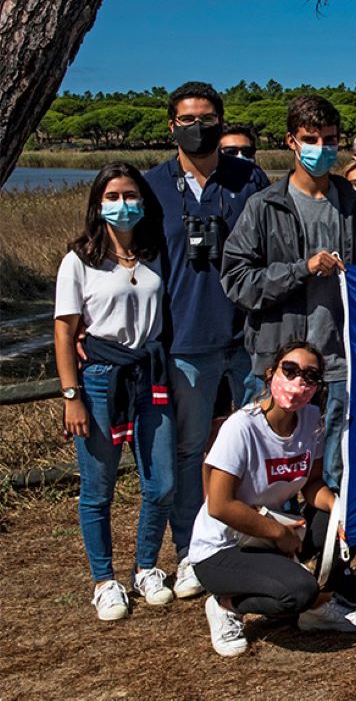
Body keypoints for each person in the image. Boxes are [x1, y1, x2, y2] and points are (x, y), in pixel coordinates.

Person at [221, 94, 356, 516]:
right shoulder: (263, 208)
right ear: (291, 141)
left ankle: (333, 565)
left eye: (330, 140)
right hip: (279, 369)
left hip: (340, 365)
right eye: (311, 139)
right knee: (267, 472)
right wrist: (300, 270)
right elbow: (237, 283)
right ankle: (268, 562)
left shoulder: (353, 205)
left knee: (335, 473)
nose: (321, 149)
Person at [144, 82, 272, 600]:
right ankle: (192, 552)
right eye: (187, 118)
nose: (198, 126)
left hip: (249, 335)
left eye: (208, 117)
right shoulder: (151, 185)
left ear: (221, 120)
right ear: (171, 125)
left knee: (252, 447)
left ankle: (246, 540)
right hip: (185, 340)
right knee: (191, 450)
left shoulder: (248, 178)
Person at [189, 342, 356, 657]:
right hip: (220, 549)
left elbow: (313, 484)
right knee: (298, 592)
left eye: (310, 376)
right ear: (271, 372)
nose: (298, 382)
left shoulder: (312, 419)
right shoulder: (241, 427)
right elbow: (219, 505)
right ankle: (226, 605)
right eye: (290, 370)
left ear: (317, 387)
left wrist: (340, 510)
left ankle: (314, 611)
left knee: (342, 516)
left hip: (268, 534)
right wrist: (278, 534)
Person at [54, 162, 176, 620]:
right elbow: (65, 332)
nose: (123, 204)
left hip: (151, 375)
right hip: (102, 380)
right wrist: (72, 396)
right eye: (112, 196)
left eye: (130, 195)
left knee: (161, 482)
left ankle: (146, 566)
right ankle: (104, 580)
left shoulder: (153, 254)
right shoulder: (79, 262)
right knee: (98, 488)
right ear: (98, 204)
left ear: (143, 201)